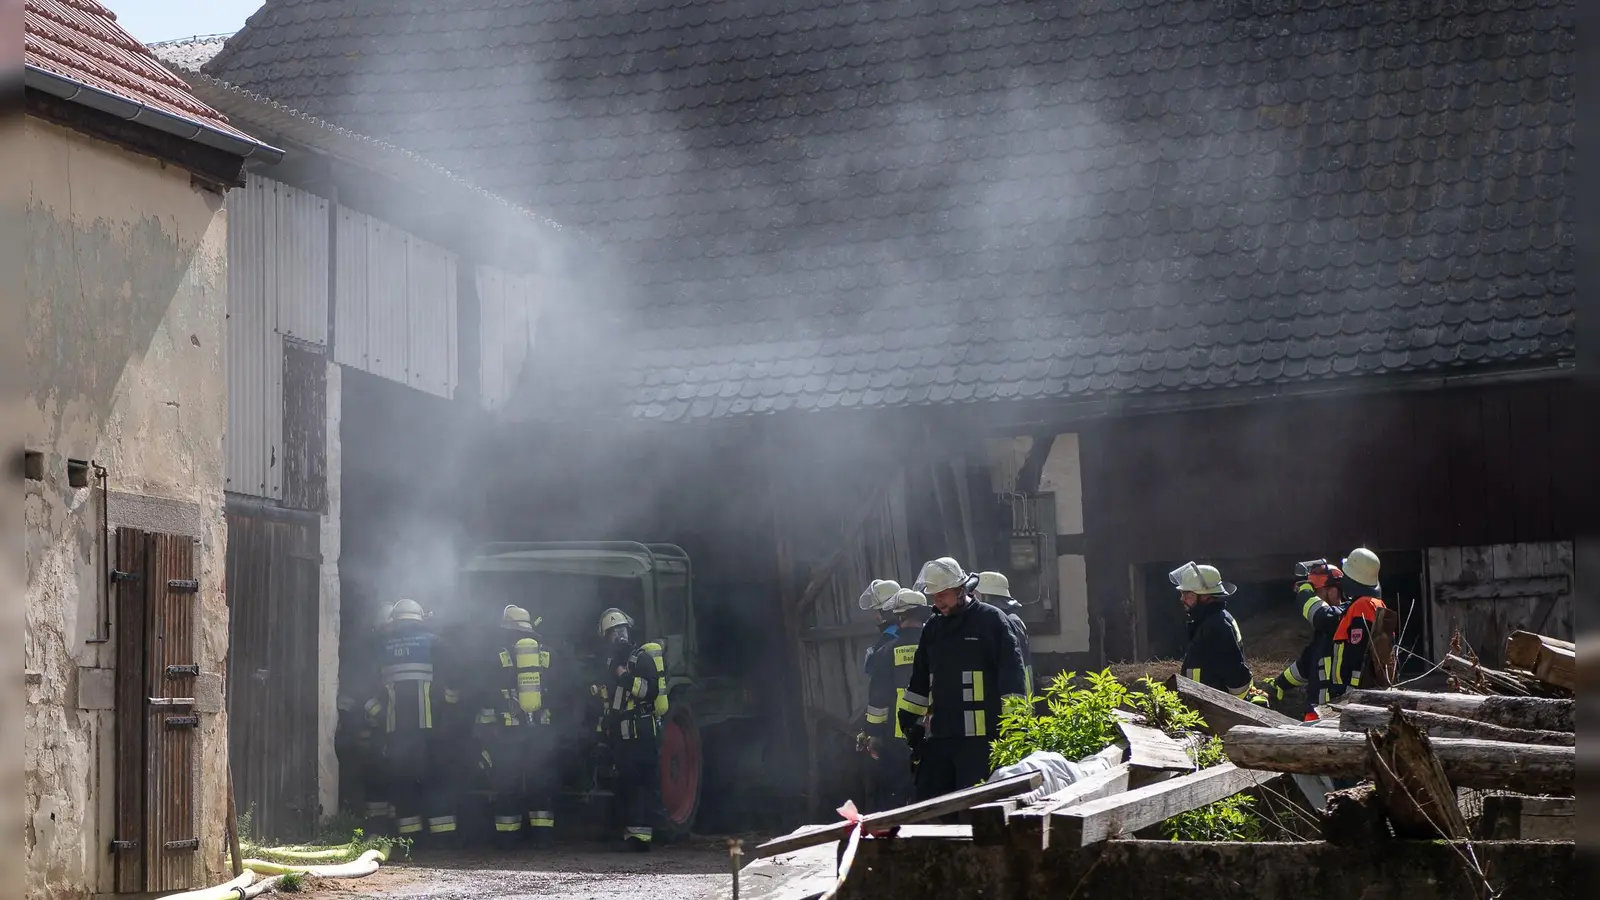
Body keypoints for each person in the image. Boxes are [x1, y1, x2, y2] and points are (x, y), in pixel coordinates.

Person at [897, 557, 1026, 804]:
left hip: (982, 742)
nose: (938, 601)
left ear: (961, 589)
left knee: (977, 811)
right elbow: (920, 681)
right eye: (934, 596)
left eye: (943, 594)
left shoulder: (992, 621)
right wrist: (909, 722)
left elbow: (1013, 679)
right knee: (929, 807)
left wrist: (1015, 729)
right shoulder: (932, 629)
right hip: (941, 740)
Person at [372, 598, 460, 844]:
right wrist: (450, 704)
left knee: (403, 784)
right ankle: (443, 839)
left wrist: (377, 717)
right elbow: (456, 675)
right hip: (431, 728)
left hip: (396, 730)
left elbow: (369, 687)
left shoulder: (382, 646)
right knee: (437, 780)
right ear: (419, 618)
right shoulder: (435, 642)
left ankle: (411, 842)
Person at [593, 608, 669, 851]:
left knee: (641, 785)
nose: (619, 637)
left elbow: (650, 692)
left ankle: (642, 840)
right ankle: (631, 835)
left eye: (621, 631)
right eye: (614, 634)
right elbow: (614, 701)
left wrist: (625, 677)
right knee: (627, 784)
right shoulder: (611, 664)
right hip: (624, 736)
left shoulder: (641, 659)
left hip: (642, 733)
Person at [481, 605, 554, 846]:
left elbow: (488, 691)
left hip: (508, 729)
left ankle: (508, 838)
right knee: (539, 780)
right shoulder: (544, 654)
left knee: (507, 781)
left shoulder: (497, 655)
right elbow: (558, 688)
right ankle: (543, 837)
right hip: (539, 728)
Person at [861, 588, 933, 811]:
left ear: (899, 616)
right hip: (938, 732)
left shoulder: (886, 651)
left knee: (899, 795)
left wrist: (873, 733)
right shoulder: (939, 646)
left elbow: (878, 701)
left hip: (899, 736)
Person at [1170, 563, 1264, 704]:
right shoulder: (1211, 620)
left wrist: (1236, 707)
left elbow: (1236, 676)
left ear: (1206, 596)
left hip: (1211, 709)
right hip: (1200, 704)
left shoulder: (1217, 626)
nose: (1182, 599)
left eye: (1187, 594)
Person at [1303, 548, 1388, 701]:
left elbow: (1357, 655)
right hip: (1355, 693)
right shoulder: (1372, 604)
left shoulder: (1362, 607)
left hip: (1350, 695)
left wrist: (1347, 692)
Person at [1268, 560, 1344, 721]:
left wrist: (1305, 594)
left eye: (1317, 593)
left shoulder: (1342, 619)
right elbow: (1306, 665)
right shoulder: (1323, 632)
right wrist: (1280, 683)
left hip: (1338, 715)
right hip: (1316, 714)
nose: (1316, 598)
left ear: (1333, 591)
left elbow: (1321, 615)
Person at [977, 571, 1033, 696]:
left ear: (987, 597)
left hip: (1015, 700)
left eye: (977, 596)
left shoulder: (1009, 621)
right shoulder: (1007, 619)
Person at [858, 579, 903, 676]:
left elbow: (872, 669)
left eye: (877, 611)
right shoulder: (917, 629)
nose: (876, 617)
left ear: (887, 611)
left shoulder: (889, 637)